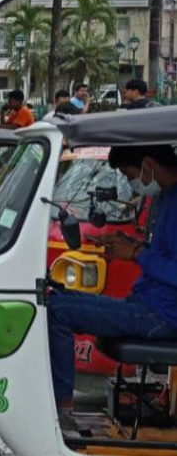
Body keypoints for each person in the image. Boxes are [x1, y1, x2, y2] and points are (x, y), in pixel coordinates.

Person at [49, 145, 177, 427]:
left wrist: (136, 254)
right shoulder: (167, 196)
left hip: (161, 315)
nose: (133, 183)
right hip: (145, 304)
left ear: (147, 165)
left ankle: (61, 410)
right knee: (55, 295)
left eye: (129, 175)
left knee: (57, 311)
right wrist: (131, 245)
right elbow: (166, 255)